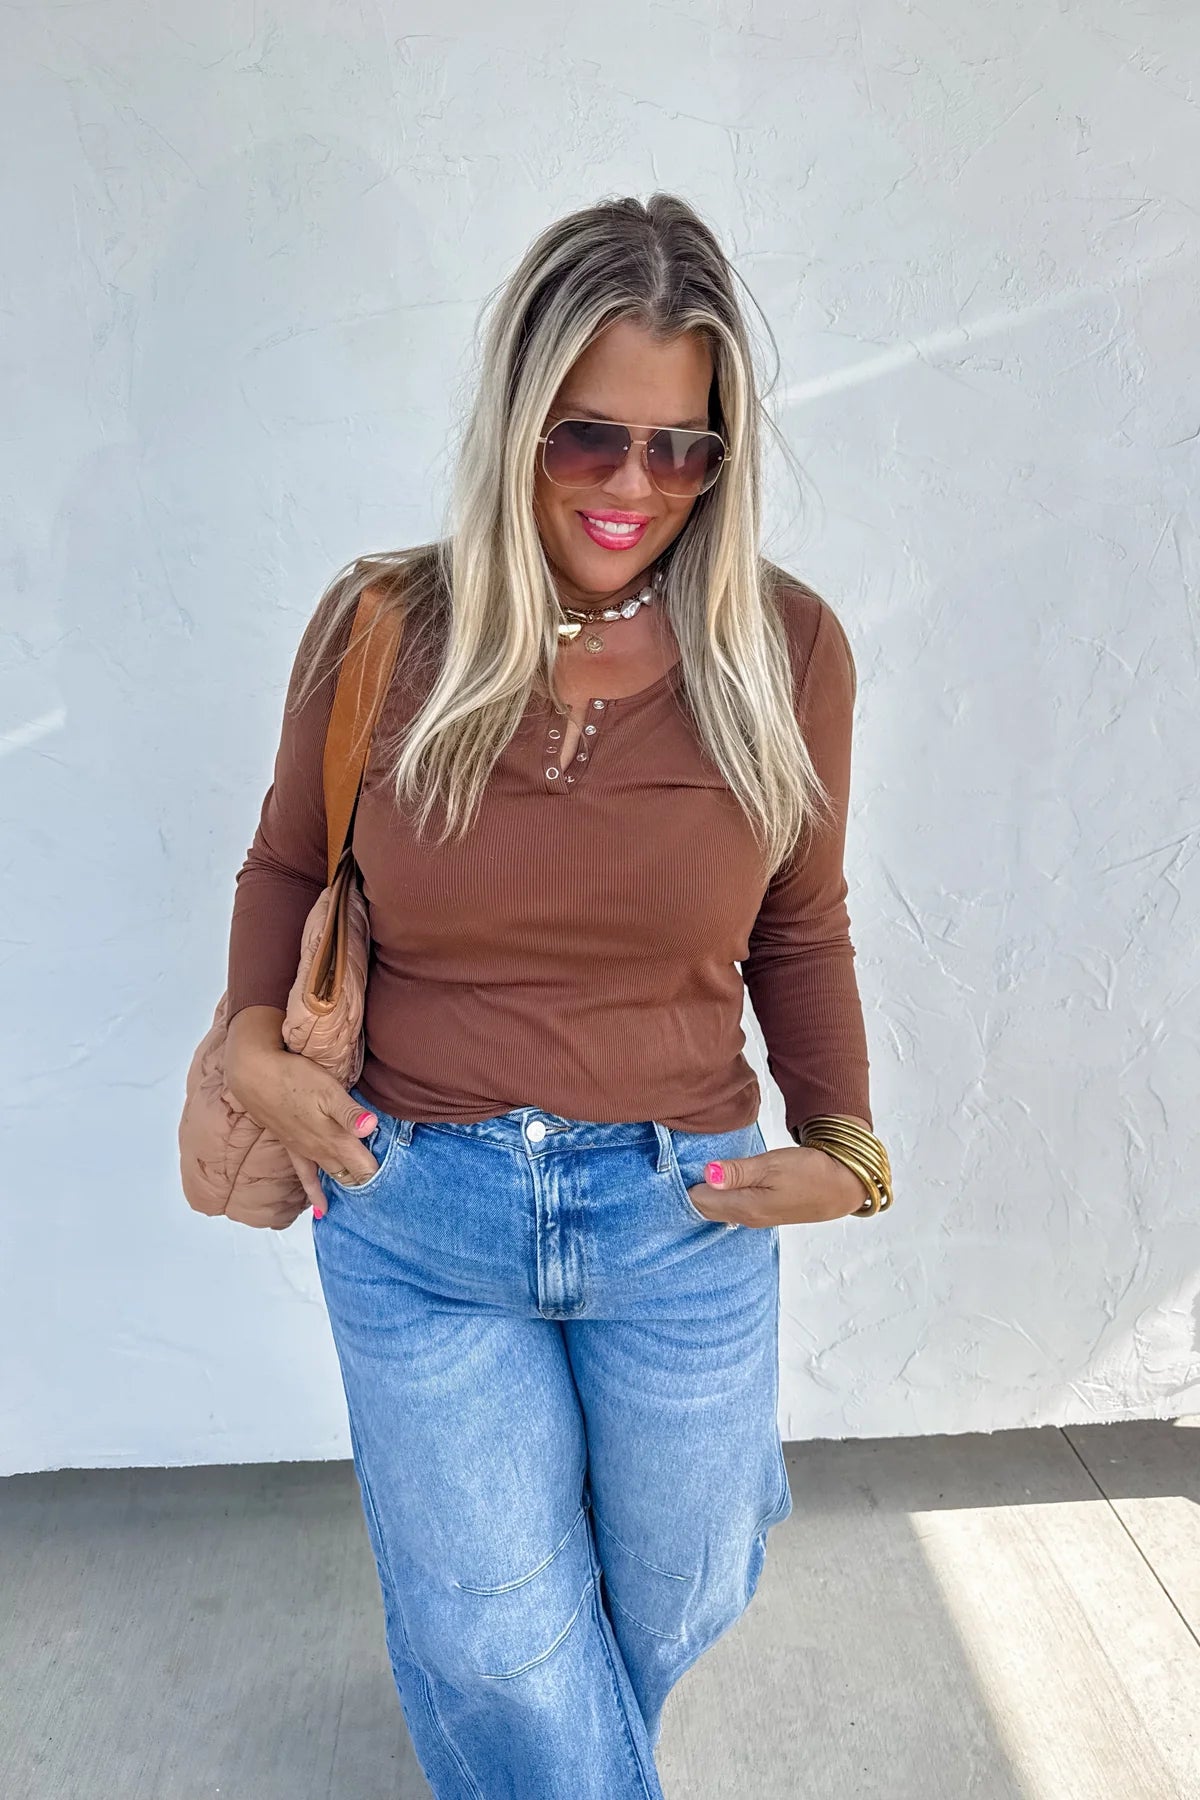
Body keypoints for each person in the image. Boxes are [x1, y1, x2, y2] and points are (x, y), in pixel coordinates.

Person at [221, 192, 891, 1799]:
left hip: (681, 1214)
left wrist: (849, 1147)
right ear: (517, 418)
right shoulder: (386, 631)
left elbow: (801, 929)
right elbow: (286, 865)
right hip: (415, 1201)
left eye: (681, 449)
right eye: (589, 435)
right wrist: (248, 1047)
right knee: (502, 1642)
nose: (630, 486)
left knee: (684, 1585)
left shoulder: (786, 649)